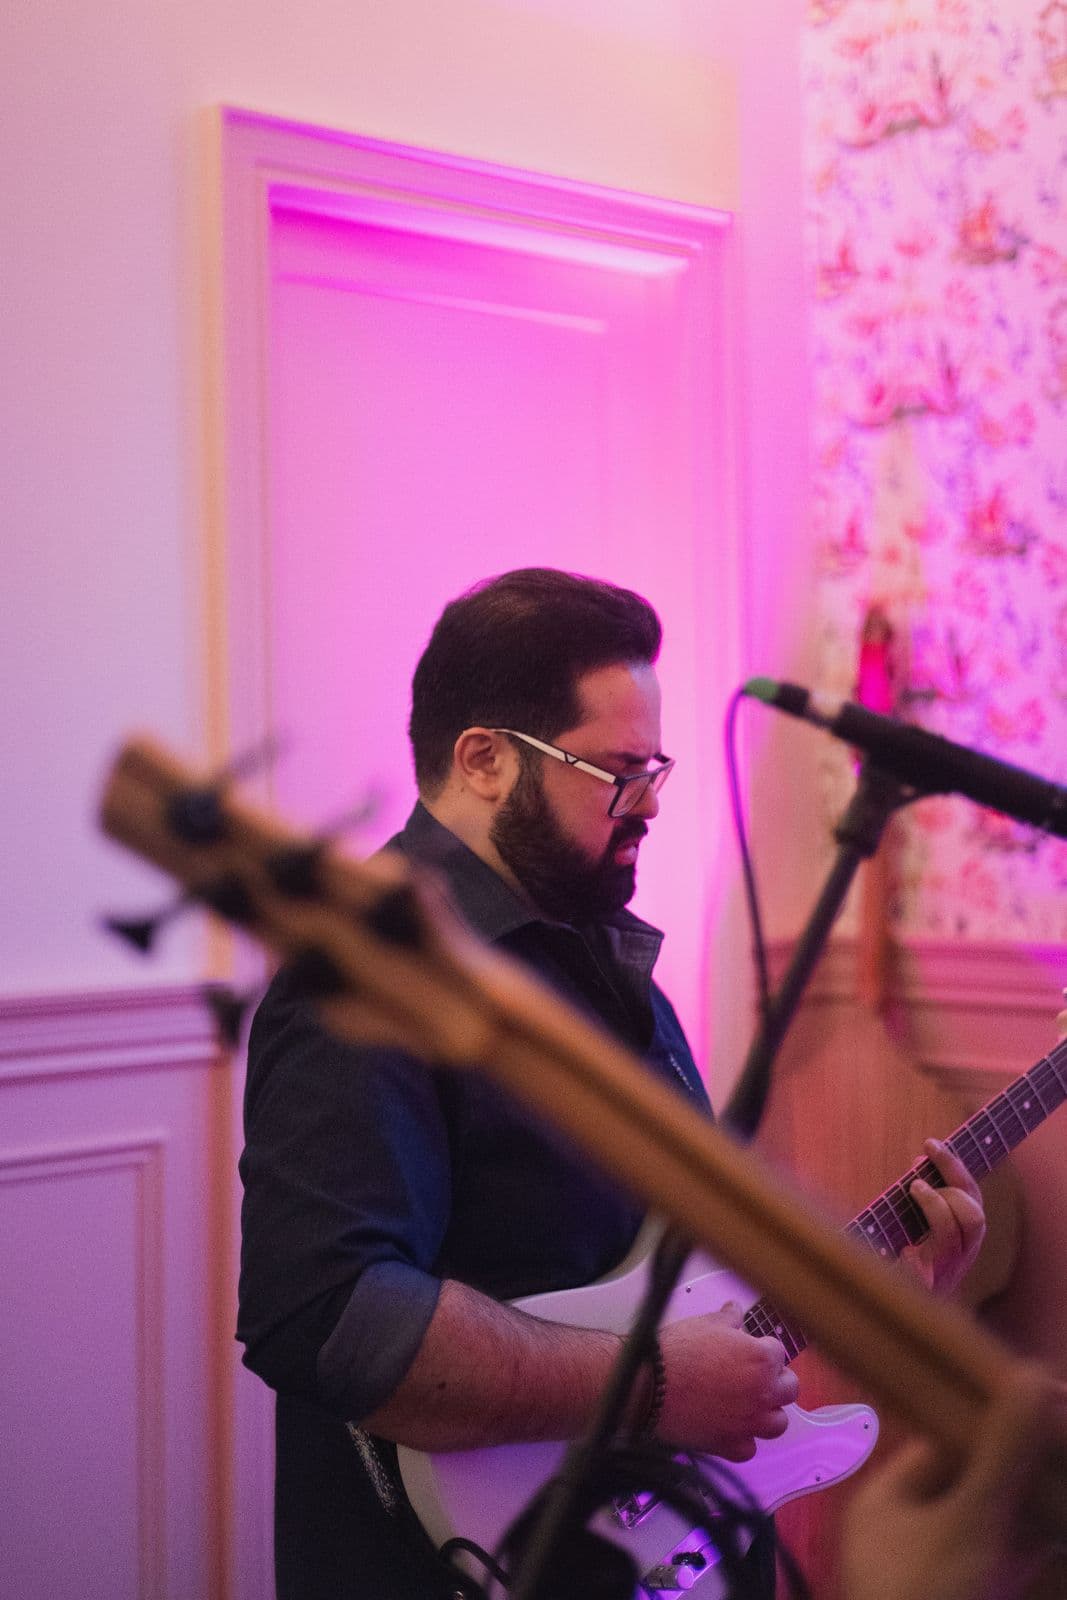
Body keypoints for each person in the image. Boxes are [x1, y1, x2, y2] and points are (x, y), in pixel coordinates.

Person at [237, 568, 986, 1600]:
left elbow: (674, 1282)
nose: (647, 804)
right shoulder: (367, 970)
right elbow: (327, 1318)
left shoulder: (600, 954)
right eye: (615, 770)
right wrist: (653, 1385)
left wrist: (895, 1298)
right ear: (485, 760)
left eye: (657, 766)